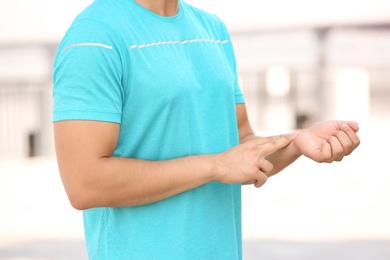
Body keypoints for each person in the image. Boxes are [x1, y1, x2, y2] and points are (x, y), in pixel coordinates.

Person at [52, 0, 360, 259]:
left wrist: (297, 143)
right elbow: (85, 183)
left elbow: (241, 147)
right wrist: (214, 166)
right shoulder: (93, 36)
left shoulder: (212, 30)